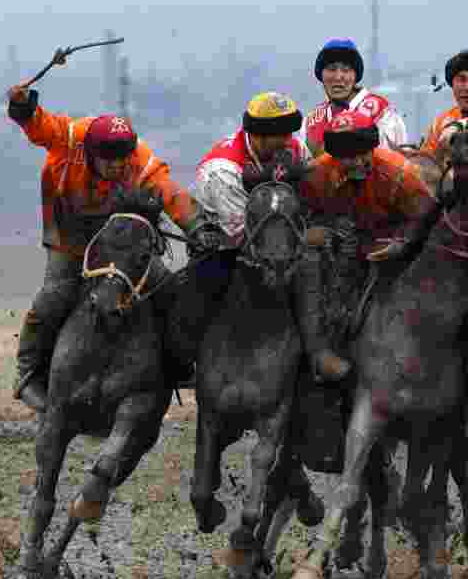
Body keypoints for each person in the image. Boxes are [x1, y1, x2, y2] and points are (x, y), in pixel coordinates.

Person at [6, 82, 202, 413]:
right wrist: (24, 108)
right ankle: (27, 374)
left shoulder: (140, 160)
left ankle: (180, 363)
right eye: (109, 160)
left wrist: (198, 226)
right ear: (89, 151)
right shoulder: (69, 139)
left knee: (168, 288)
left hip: (117, 241)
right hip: (69, 236)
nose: (117, 166)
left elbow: (170, 193)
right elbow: (41, 127)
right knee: (53, 297)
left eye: (123, 158)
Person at [187, 91, 350, 382]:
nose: (289, 140)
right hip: (226, 248)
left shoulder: (292, 148)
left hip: (280, 233)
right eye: (280, 134)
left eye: (290, 132)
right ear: (258, 135)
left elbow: (313, 195)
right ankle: (183, 357)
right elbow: (241, 234)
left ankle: (319, 350)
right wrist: (306, 237)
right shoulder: (222, 170)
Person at [297, 110, 438, 375]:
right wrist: (315, 231)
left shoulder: (400, 174)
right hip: (340, 243)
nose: (355, 162)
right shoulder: (317, 174)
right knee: (307, 267)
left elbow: (427, 217)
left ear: (373, 147)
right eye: (346, 156)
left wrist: (401, 242)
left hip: (390, 245)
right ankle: (317, 351)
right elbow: (305, 214)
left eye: (361, 154)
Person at [300, 38, 408, 158]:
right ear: (321, 74)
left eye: (346, 70)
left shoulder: (382, 113)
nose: (338, 76)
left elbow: (395, 162)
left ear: (356, 75)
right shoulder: (311, 122)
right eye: (331, 69)